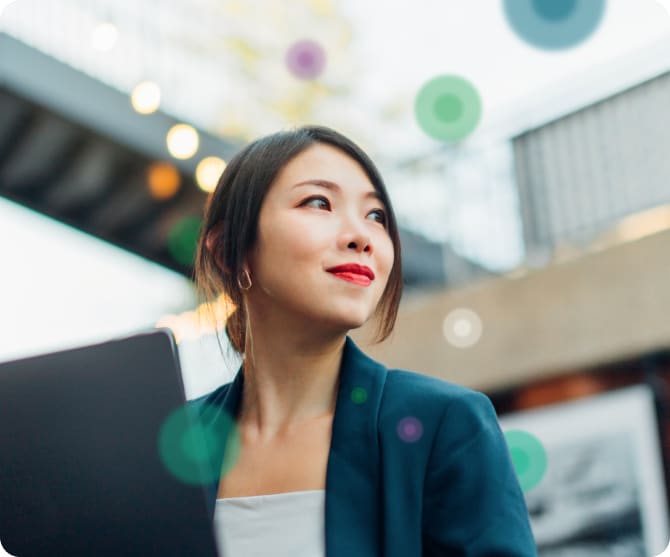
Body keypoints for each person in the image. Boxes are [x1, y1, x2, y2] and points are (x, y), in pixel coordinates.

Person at [190, 125, 537, 556]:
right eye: (318, 202)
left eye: (376, 216)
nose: (362, 237)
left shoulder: (447, 425)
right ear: (229, 250)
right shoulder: (171, 444)